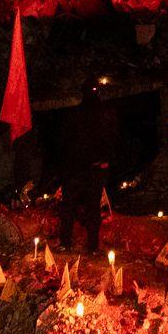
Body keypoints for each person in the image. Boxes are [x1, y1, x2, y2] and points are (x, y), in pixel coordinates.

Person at [54, 86, 120, 254]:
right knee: (86, 207)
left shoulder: (83, 114)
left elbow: (65, 141)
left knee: (76, 206)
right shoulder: (101, 114)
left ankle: (71, 243)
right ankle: (87, 246)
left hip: (83, 169)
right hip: (84, 169)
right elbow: (110, 140)